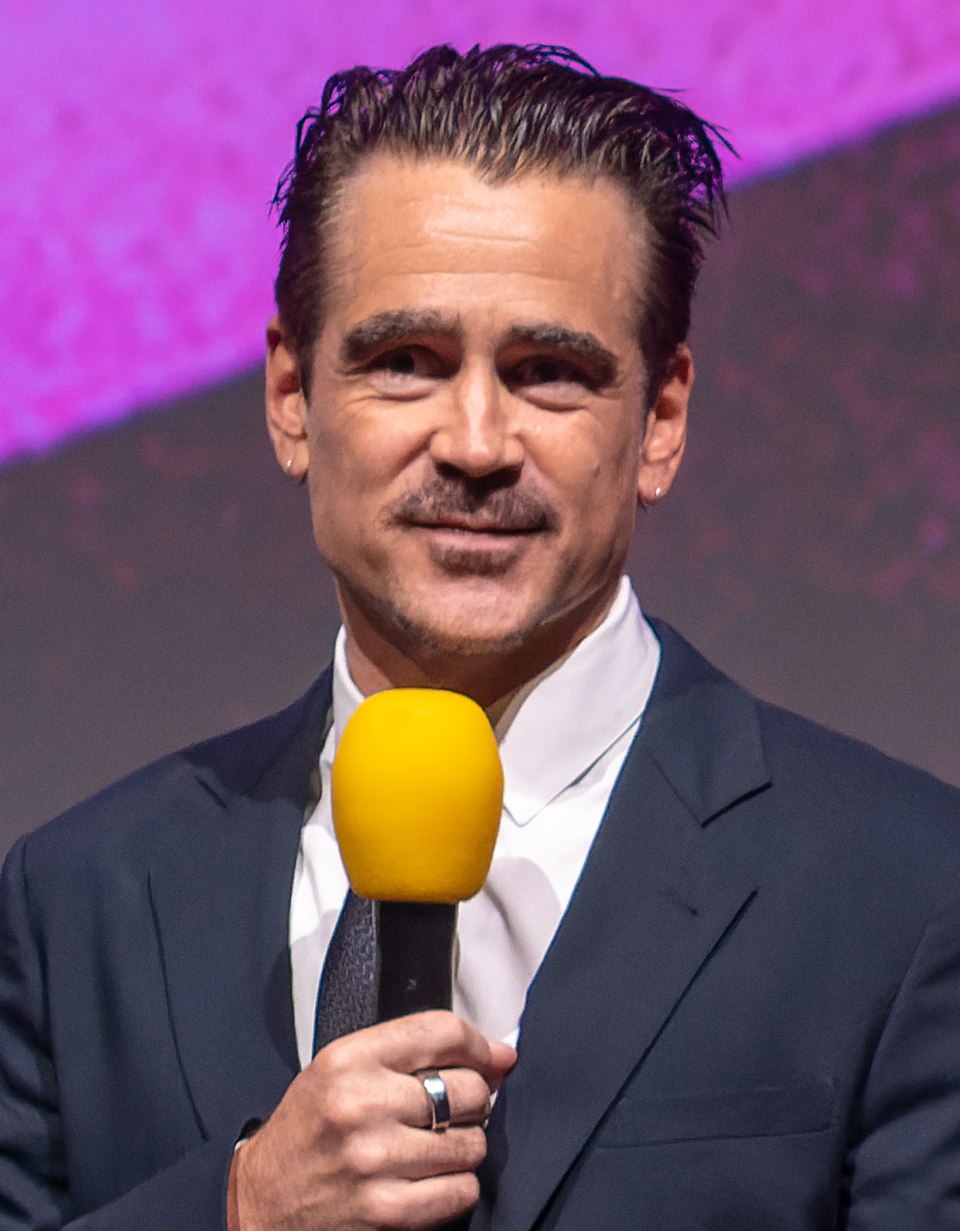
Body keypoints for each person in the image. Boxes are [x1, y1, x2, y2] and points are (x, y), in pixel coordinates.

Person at [2, 42, 960, 1231]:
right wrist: (240, 1209)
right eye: (405, 363)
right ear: (292, 398)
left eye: (549, 372)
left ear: (661, 420)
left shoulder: (908, 888)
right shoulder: (80, 898)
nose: (474, 444)